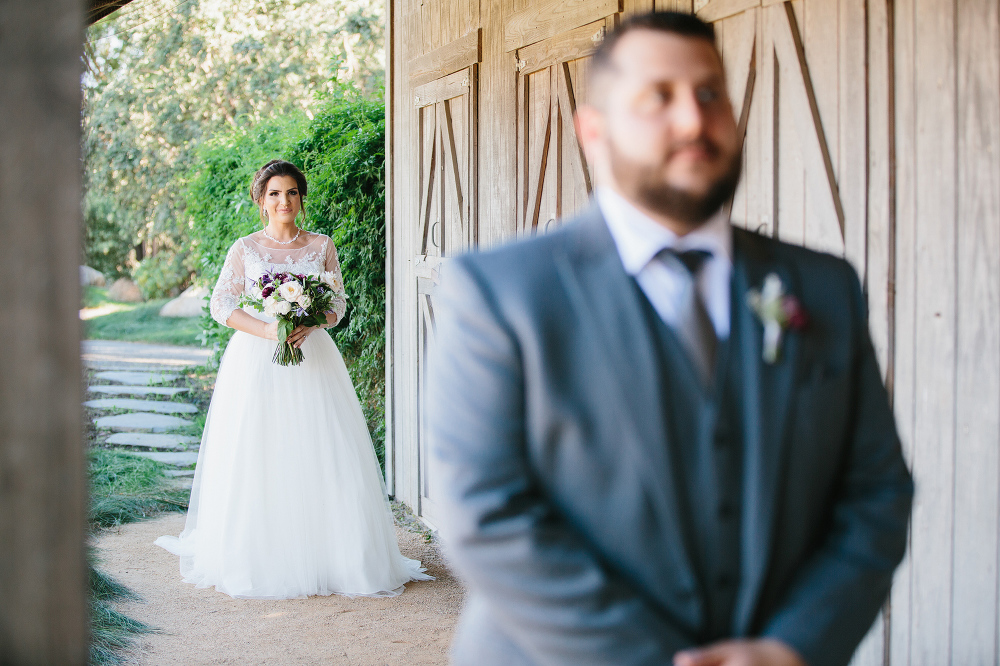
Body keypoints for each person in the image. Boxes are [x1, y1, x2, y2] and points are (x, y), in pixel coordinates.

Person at [428, 12, 912, 666]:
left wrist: (793, 645)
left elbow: (874, 494)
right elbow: (484, 514)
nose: (693, 120)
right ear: (593, 131)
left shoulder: (823, 288)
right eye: (659, 97)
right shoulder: (500, 293)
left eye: (710, 93)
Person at [156, 159, 431, 599]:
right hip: (256, 360)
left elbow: (338, 304)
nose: (284, 201)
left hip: (312, 355)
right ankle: (264, 552)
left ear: (301, 199)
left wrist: (312, 321)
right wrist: (269, 329)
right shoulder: (245, 248)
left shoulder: (321, 245)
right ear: (261, 201)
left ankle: (334, 554)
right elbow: (221, 304)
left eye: (292, 193)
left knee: (320, 445)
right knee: (260, 447)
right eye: (274, 194)